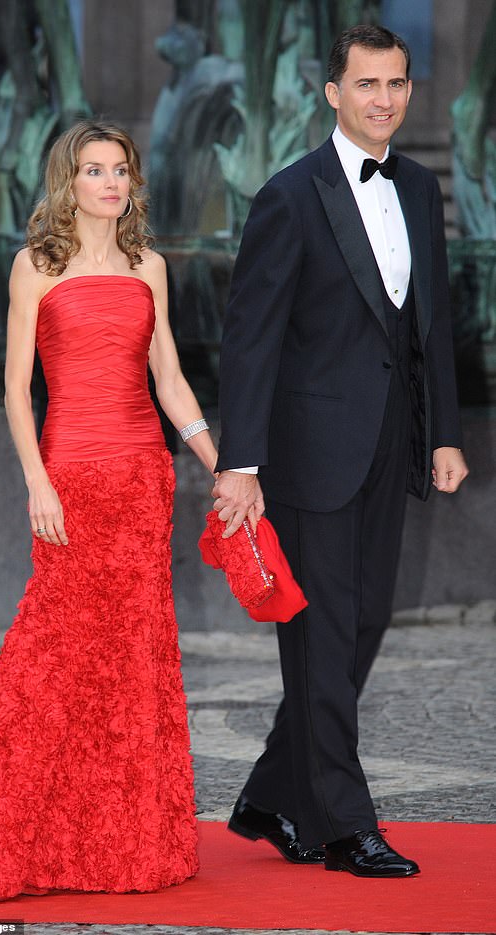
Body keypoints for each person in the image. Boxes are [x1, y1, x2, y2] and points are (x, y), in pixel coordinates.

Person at [0, 120, 217, 899]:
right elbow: (14, 388)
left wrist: (220, 465)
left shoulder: (150, 266)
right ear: (69, 181)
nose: (111, 183)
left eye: (120, 169)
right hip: (70, 477)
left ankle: (117, 842)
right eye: (95, 170)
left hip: (139, 480)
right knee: (49, 654)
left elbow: (171, 381)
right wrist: (37, 481)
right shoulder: (34, 265)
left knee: (132, 660)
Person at [212, 25, 468, 878]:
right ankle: (343, 824)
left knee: (362, 624)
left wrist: (445, 432)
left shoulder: (422, 189)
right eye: (367, 85)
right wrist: (239, 461)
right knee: (323, 633)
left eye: (397, 84)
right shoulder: (290, 195)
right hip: (309, 450)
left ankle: (269, 795)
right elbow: (250, 338)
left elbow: (431, 322)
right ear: (333, 92)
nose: (385, 100)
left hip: (391, 445)